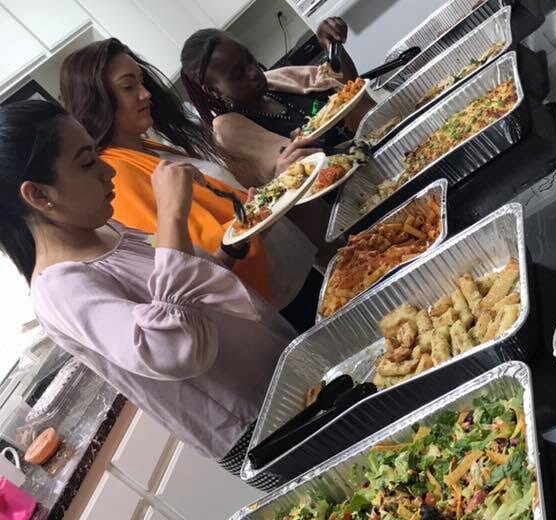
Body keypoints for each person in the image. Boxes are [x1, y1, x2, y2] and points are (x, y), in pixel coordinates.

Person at [0, 99, 293, 478]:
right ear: (39, 195)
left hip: (279, 366)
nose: (107, 172)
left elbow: (188, 293)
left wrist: (232, 247)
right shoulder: (59, 289)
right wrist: (171, 211)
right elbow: (170, 346)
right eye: (87, 162)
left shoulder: (107, 230)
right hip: (255, 424)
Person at [59, 38, 321, 331]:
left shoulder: (148, 149)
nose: (145, 94)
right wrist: (278, 191)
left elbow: (228, 205)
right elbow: (199, 256)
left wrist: (274, 188)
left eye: (142, 82)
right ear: (97, 99)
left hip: (291, 275)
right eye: (128, 86)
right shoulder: (118, 174)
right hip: (279, 302)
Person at [180, 17, 374, 187]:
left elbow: (348, 89)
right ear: (213, 90)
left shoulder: (281, 80)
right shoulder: (236, 135)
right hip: (351, 192)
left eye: (250, 59)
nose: (253, 73)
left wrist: (332, 45)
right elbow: (284, 181)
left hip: (376, 149)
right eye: (238, 74)